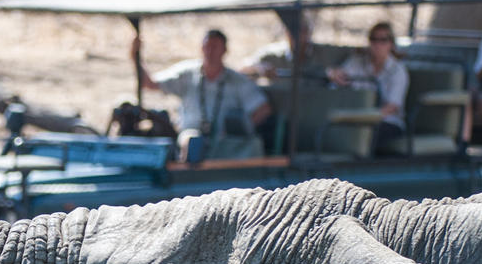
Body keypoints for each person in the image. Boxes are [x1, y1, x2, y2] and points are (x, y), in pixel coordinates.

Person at [131, 29, 273, 160]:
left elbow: (263, 109)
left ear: (224, 50)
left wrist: (241, 127)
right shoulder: (187, 74)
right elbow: (149, 83)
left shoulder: (237, 81)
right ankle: (186, 172)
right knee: (192, 141)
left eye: (215, 47)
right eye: (207, 46)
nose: (210, 52)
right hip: (191, 134)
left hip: (223, 140)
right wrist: (135, 56)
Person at [326, 21, 408, 155]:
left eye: (383, 40)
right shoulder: (357, 62)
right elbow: (339, 76)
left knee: (366, 136)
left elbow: (392, 107)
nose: (377, 45)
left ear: (391, 44)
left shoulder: (398, 71)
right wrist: (332, 74)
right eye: (373, 39)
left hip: (386, 122)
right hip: (356, 118)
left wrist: (367, 117)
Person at [239, 16, 347, 81]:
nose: (298, 36)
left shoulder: (324, 53)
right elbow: (242, 70)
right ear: (287, 33)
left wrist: (337, 72)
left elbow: (354, 53)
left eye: (302, 31)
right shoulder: (272, 55)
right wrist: (260, 69)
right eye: (293, 31)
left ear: (309, 33)